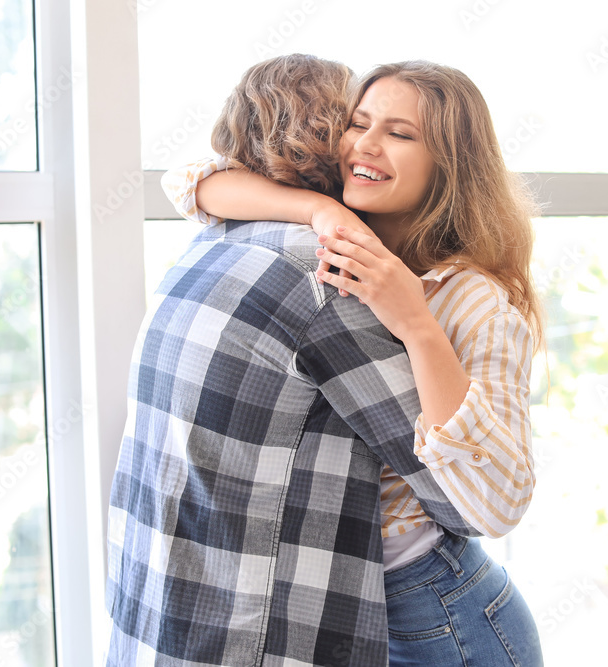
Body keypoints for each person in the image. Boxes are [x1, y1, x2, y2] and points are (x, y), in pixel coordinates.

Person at [105, 54, 485, 667]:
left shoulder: (210, 241)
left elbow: (190, 178)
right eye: (358, 124)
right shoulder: (327, 271)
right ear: (329, 138)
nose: (367, 144)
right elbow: (462, 495)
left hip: (154, 621)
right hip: (253, 639)